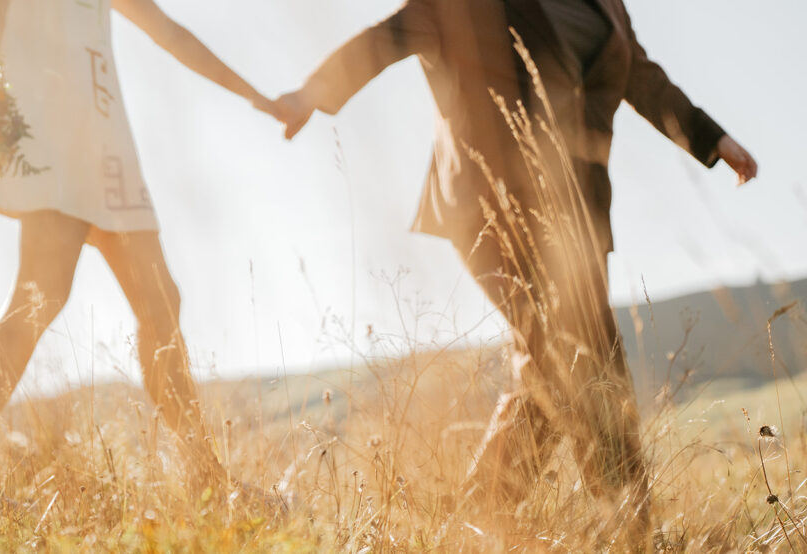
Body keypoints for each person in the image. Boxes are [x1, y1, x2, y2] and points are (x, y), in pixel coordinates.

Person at [274, 0, 757, 535]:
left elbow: (639, 75)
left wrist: (712, 138)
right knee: (576, 360)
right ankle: (631, 531)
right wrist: (312, 94)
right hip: (491, 201)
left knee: (558, 365)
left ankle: (480, 523)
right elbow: (390, 34)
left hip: (576, 212)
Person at [0, 0, 277, 478]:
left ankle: (205, 475)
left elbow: (169, 33)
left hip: (106, 142)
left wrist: (256, 96)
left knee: (160, 299)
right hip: (51, 134)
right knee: (40, 296)